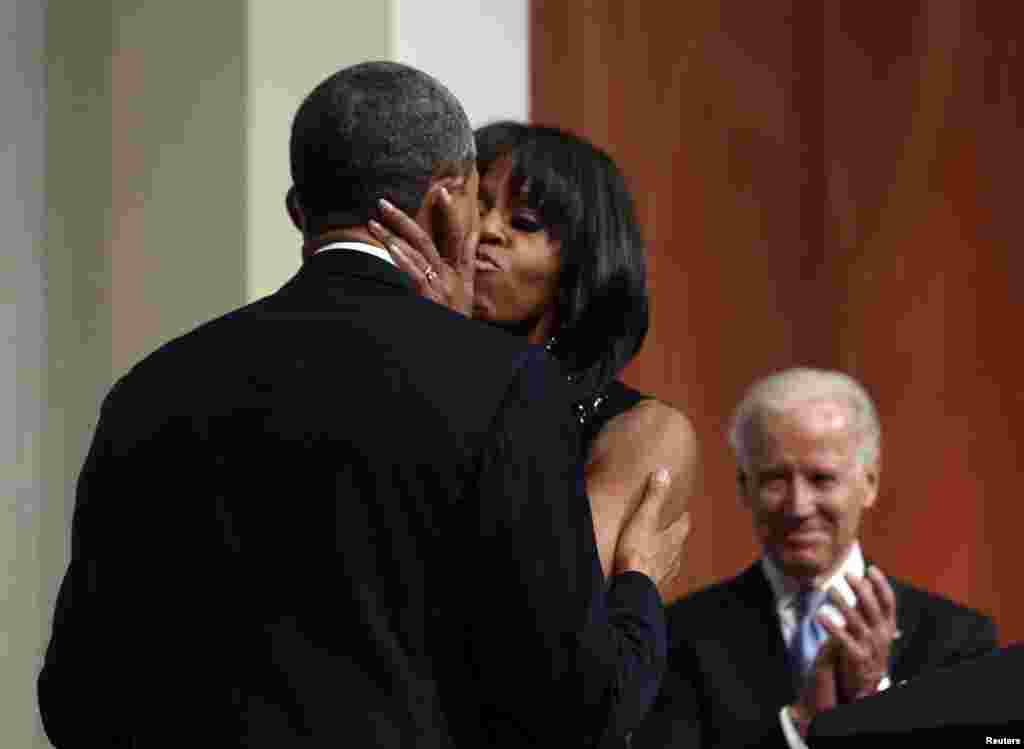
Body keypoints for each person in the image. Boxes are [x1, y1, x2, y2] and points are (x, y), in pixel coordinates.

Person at [37, 62, 692, 748]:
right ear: (448, 201)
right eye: (483, 202)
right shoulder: (504, 387)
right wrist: (640, 585)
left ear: (298, 210)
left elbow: (76, 699)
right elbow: (576, 708)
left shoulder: (151, 387)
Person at [368, 121, 699, 579]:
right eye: (473, 208)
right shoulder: (390, 378)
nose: (486, 230)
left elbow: (563, 600)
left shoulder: (643, 431)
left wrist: (457, 352)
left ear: (583, 269)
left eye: (524, 222)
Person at [629, 367, 998, 748]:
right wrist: (799, 726)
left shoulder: (958, 643)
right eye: (775, 479)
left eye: (821, 479)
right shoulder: (680, 639)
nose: (798, 506)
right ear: (743, 488)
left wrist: (880, 701)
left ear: (869, 483)